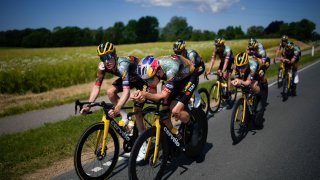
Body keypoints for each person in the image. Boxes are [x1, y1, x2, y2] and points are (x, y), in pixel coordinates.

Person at [80, 42, 147, 136]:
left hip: (142, 79)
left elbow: (126, 93)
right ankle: (126, 118)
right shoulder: (102, 66)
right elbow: (96, 87)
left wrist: (116, 109)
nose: (106, 61)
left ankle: (142, 138)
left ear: (114, 55)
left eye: (108, 57)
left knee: (136, 111)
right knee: (110, 92)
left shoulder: (122, 65)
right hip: (129, 78)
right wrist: (88, 106)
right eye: (103, 58)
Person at [132, 55, 197, 140]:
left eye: (150, 80)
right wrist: (140, 95)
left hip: (189, 78)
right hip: (176, 78)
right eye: (145, 80)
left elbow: (163, 95)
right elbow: (150, 91)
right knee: (165, 113)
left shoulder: (170, 69)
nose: (148, 83)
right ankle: (176, 136)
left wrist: (145, 94)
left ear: (158, 72)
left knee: (175, 111)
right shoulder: (155, 71)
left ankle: (192, 125)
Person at [231, 52, 265, 127]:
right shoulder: (237, 66)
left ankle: (259, 95)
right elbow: (238, 77)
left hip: (258, 71)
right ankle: (247, 106)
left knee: (252, 86)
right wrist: (235, 82)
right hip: (248, 71)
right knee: (243, 87)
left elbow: (248, 82)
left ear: (246, 63)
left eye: (243, 66)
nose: (240, 69)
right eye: (239, 67)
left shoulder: (252, 66)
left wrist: (241, 81)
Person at [205, 37, 234, 105]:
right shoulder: (215, 49)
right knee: (219, 73)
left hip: (230, 62)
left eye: (218, 46)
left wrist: (223, 71)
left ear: (222, 45)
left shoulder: (227, 50)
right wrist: (209, 70)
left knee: (228, 75)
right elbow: (213, 60)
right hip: (223, 61)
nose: (217, 47)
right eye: (216, 46)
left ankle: (229, 92)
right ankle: (223, 88)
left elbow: (226, 62)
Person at [246, 37, 269, 104]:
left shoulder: (261, 51)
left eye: (253, 49)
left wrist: (256, 58)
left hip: (264, 61)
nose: (251, 51)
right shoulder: (248, 49)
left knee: (261, 73)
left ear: (256, 48)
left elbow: (262, 64)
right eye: (250, 49)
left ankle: (264, 83)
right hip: (256, 62)